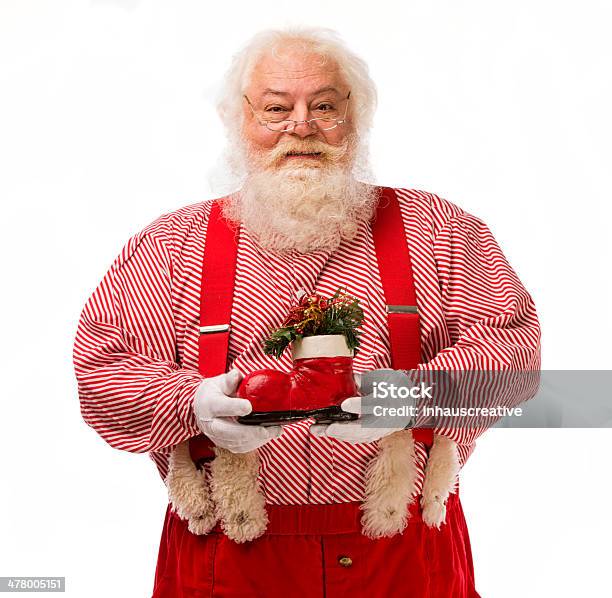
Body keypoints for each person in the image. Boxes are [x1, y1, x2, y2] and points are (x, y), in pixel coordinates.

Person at [73, 26, 541, 597]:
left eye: (324, 105)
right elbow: (102, 373)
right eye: (276, 108)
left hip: (403, 556)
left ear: (356, 117)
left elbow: (514, 352)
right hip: (229, 558)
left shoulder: (439, 229)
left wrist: (407, 396)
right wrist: (191, 404)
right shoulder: (173, 245)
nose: (300, 126)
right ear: (236, 120)